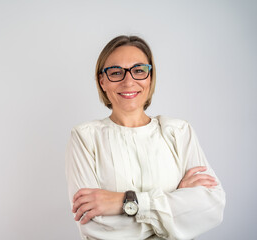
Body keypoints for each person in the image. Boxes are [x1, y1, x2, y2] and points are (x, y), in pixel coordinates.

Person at [65, 35, 226, 240]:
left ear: (150, 77)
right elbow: (96, 227)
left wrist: (124, 202)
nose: (129, 81)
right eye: (116, 72)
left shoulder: (179, 132)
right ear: (102, 81)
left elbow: (212, 207)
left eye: (139, 70)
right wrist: (176, 202)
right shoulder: (84, 138)